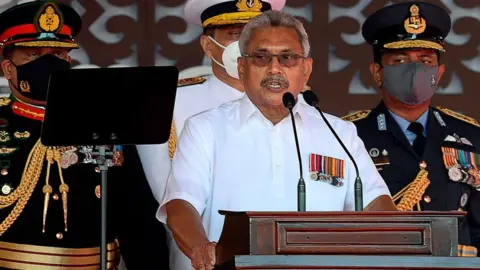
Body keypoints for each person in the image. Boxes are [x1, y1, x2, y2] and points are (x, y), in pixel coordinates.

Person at [158, 10, 396, 270]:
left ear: (306, 69)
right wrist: (200, 246)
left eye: (287, 58)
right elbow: (181, 203)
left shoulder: (339, 133)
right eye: (261, 57)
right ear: (241, 67)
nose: (274, 68)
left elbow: (377, 202)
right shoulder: (205, 129)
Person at [0, 1, 169, 269]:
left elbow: (136, 218)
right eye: (33, 55)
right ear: (8, 68)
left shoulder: (104, 124)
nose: (48, 63)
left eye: (57, 54)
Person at [137, 0, 285, 269]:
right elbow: (172, 201)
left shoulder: (295, 104)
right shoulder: (169, 104)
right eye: (235, 34)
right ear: (208, 46)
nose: (248, 44)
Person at [342, 1, 480, 257]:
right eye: (400, 61)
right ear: (377, 72)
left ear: (439, 73)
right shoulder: (349, 135)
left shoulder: (471, 137)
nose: (414, 69)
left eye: (425, 60)